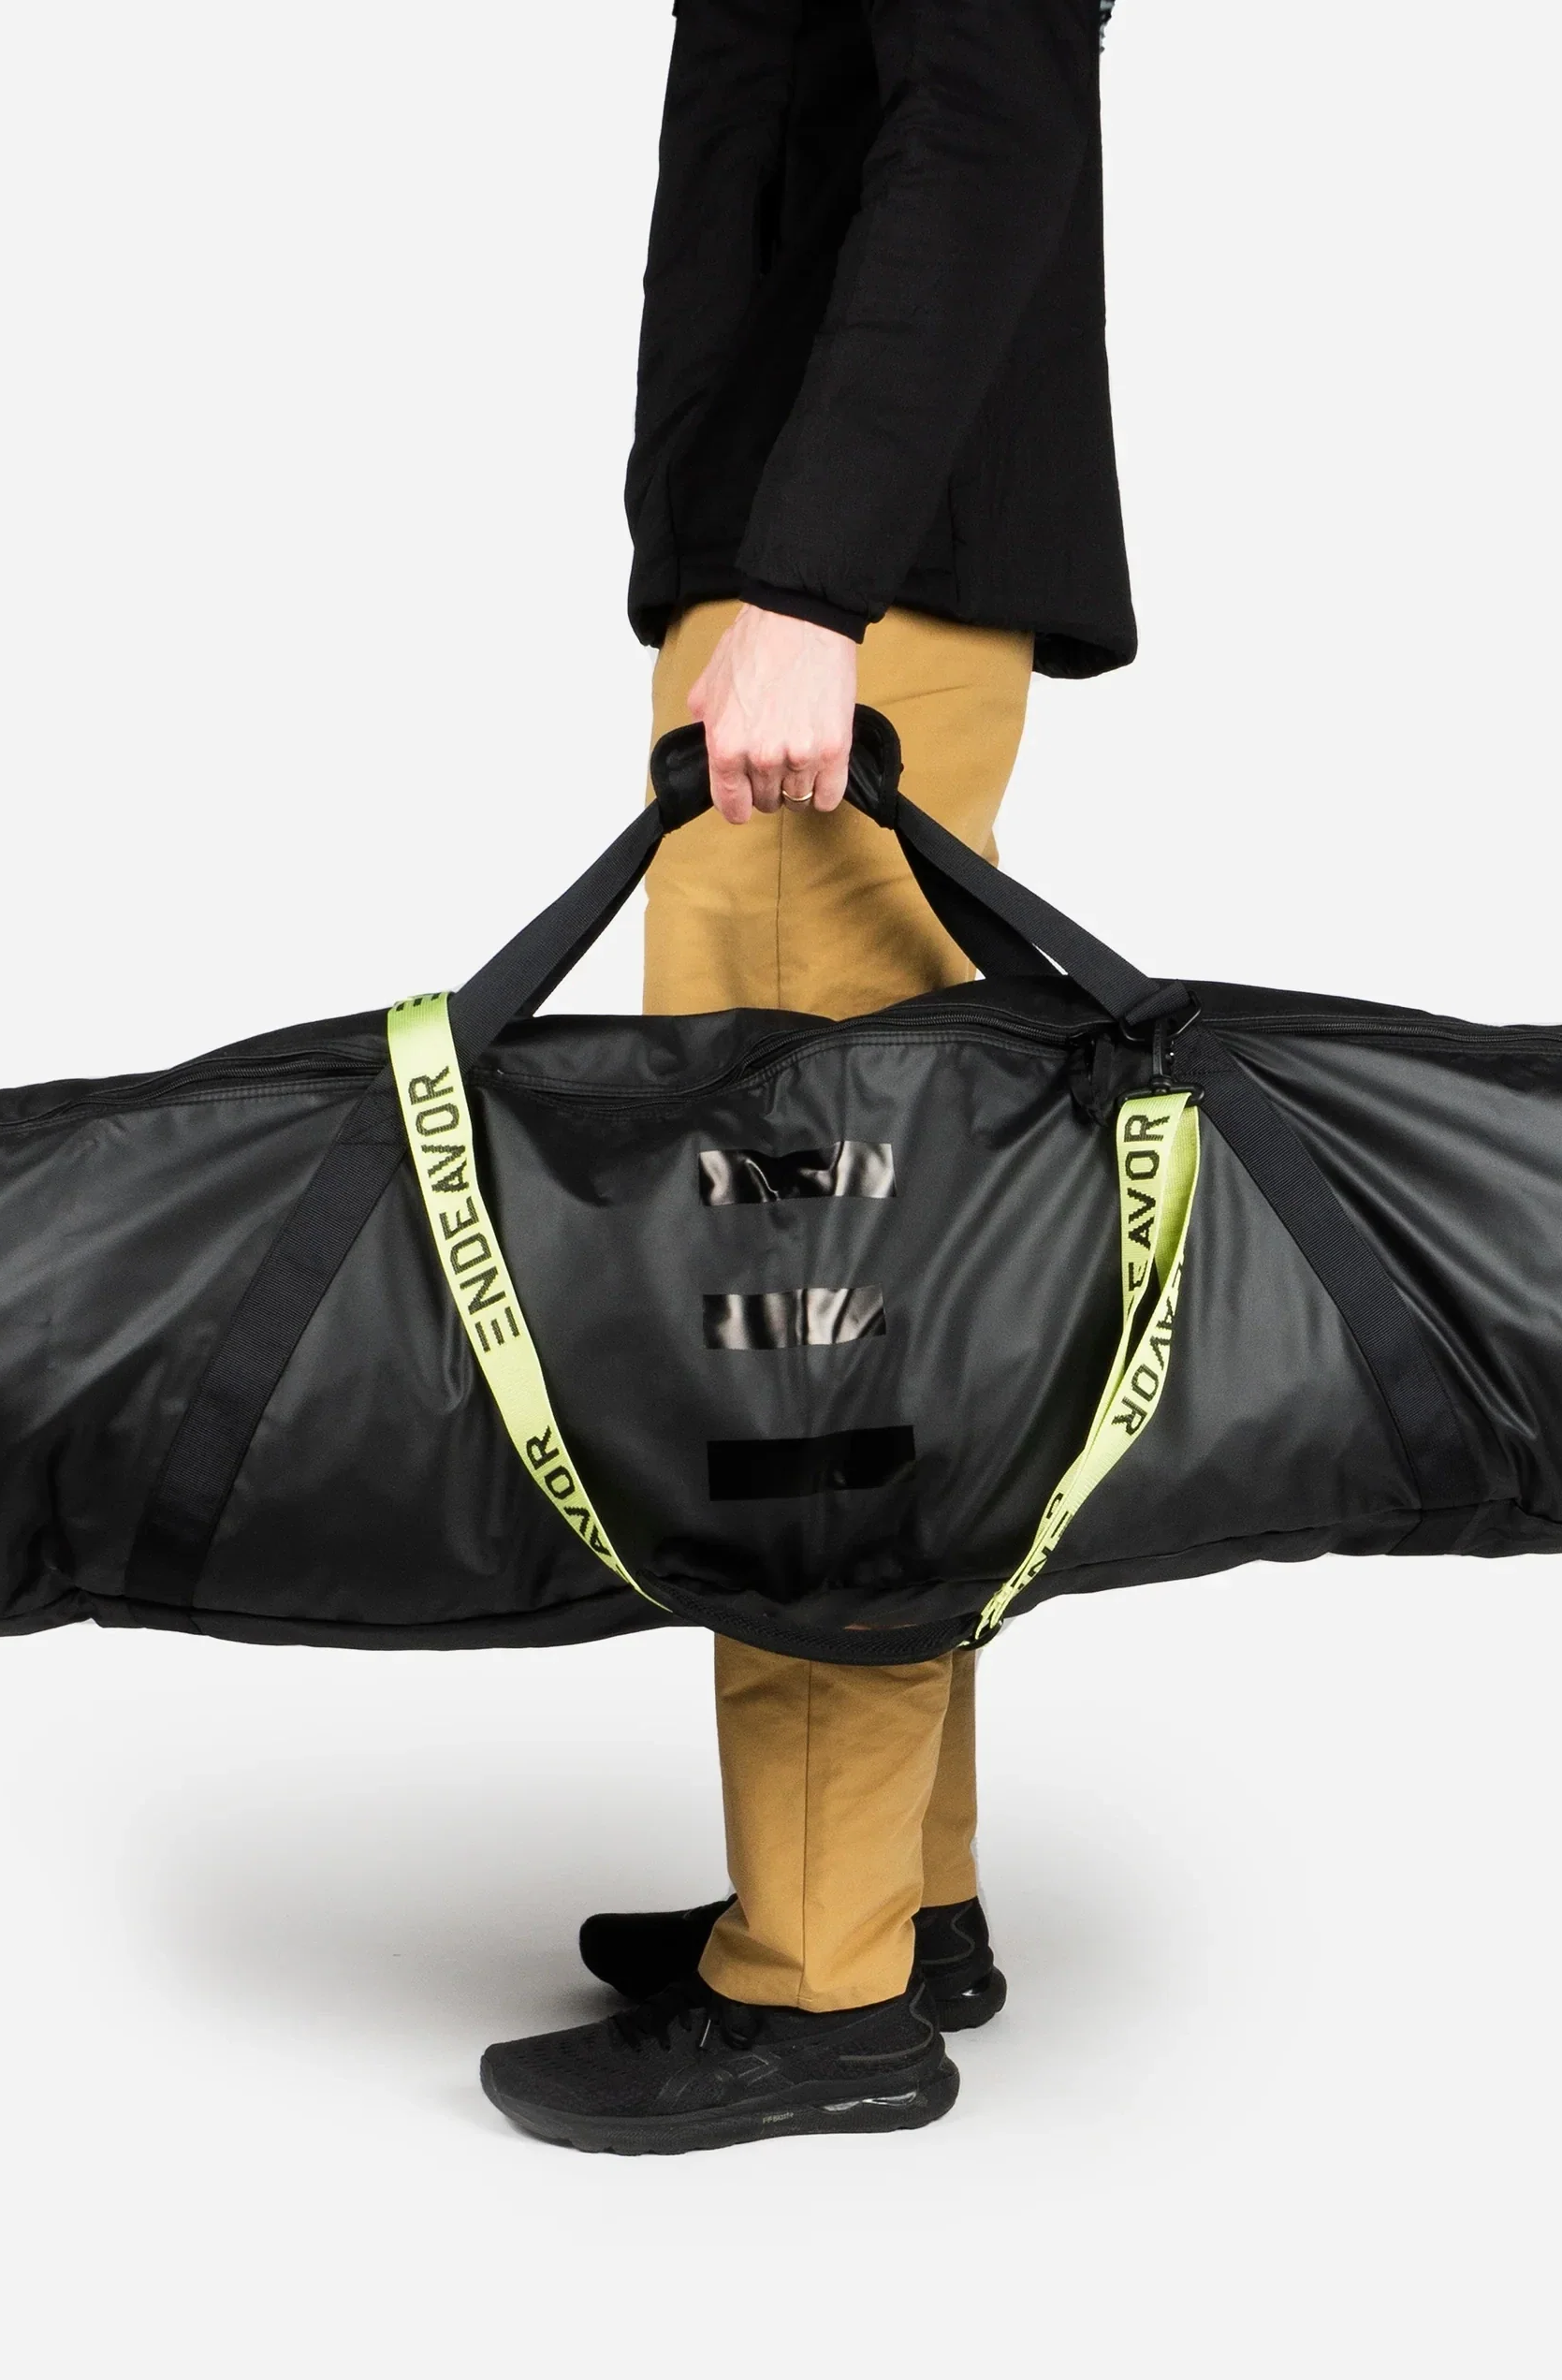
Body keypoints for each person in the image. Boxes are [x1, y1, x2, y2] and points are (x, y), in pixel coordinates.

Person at [479, 0, 1134, 2153]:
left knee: (800, 1330)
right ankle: (897, 1898)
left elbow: (982, 119)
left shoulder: (825, 601)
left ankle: (818, 1981)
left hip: (838, 603)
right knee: (874, 1297)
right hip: (834, 586)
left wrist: (809, 585)